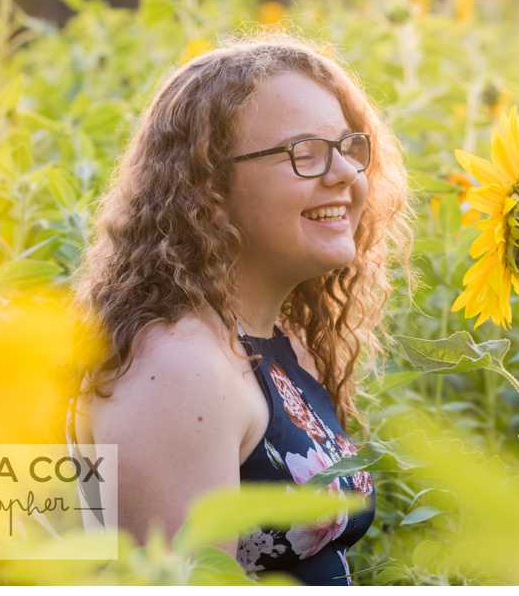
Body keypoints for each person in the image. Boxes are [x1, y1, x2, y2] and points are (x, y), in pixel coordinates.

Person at [72, 39, 410, 584]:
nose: (346, 172)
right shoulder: (180, 372)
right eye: (305, 152)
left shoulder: (280, 341)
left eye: (348, 146)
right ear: (207, 191)